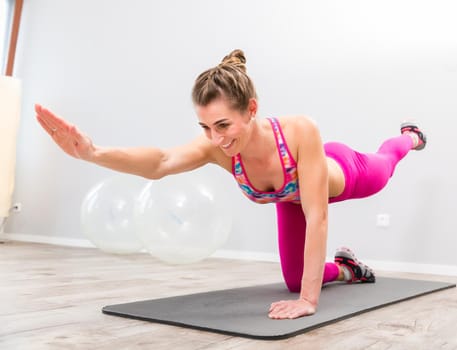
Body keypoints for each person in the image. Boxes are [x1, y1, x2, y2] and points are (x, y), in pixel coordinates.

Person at [35, 49, 426, 320]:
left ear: (251, 109)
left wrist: (310, 300)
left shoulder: (300, 130)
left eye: (223, 124)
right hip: (288, 200)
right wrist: (92, 152)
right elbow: (162, 161)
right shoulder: (218, 148)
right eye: (205, 127)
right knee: (293, 280)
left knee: (386, 165)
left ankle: (408, 138)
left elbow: (317, 215)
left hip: (343, 173)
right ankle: (347, 269)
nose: (216, 137)